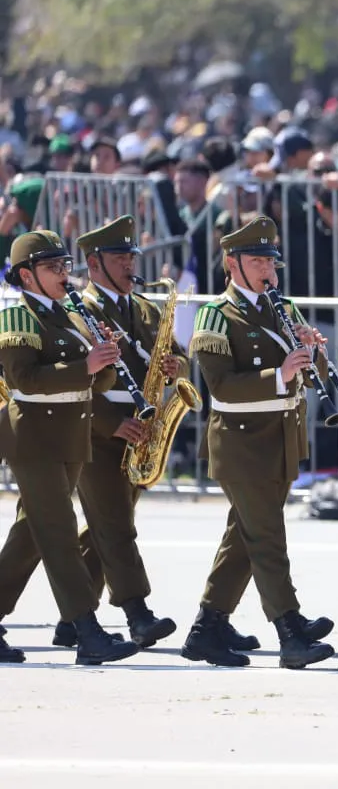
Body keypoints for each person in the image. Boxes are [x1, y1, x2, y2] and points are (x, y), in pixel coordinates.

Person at [180, 216, 335, 670]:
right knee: (267, 537)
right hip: (241, 443)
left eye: (271, 260)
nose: (268, 268)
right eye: (257, 260)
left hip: (282, 439)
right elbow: (222, 387)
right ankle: (290, 629)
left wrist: (316, 355)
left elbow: (312, 375)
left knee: (244, 539)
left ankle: (208, 629)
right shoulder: (214, 315)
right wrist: (282, 372)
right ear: (232, 263)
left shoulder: (282, 307)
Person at [0, 230, 138, 665]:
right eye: (52, 268)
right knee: (59, 532)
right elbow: (26, 379)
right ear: (26, 275)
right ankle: (87, 630)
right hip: (35, 439)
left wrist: (104, 363)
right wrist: (86, 365)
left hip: (71, 437)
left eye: (64, 266)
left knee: (30, 536)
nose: (63, 274)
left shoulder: (72, 315)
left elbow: (101, 381)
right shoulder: (17, 318)